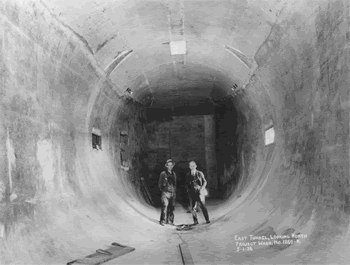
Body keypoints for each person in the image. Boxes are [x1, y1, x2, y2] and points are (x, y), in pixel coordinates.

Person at [158, 159, 177, 226]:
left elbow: (175, 184)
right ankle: (163, 221)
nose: (170, 166)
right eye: (168, 165)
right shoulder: (163, 173)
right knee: (165, 206)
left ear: (172, 166)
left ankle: (170, 221)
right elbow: (160, 183)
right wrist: (163, 190)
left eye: (171, 165)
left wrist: (174, 192)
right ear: (166, 166)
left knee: (172, 207)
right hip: (165, 193)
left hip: (172, 193)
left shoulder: (174, 174)